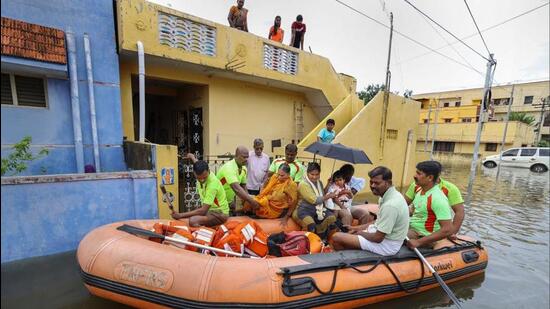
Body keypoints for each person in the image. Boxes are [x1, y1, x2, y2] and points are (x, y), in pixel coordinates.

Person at [331, 167, 409, 256]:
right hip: (380, 237)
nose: (372, 186)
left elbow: (377, 238)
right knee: (349, 233)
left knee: (336, 237)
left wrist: (359, 233)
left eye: (377, 183)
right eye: (371, 182)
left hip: (386, 245)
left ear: (388, 183)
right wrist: (355, 228)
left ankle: (350, 261)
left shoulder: (390, 205)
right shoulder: (387, 196)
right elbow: (378, 221)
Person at [404, 161, 464, 239]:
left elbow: (460, 212)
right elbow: (404, 205)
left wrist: (452, 233)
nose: (415, 176)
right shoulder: (417, 185)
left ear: (432, 176)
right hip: (416, 225)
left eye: (419, 173)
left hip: (430, 231)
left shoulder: (448, 189)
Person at [406, 161, 453, 249]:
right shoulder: (419, 191)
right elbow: (413, 211)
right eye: (416, 172)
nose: (415, 176)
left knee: (392, 236)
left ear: (430, 177)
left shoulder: (438, 198)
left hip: (424, 236)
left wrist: (418, 242)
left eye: (419, 174)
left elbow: (447, 229)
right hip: (413, 230)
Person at [171, 160, 229, 227]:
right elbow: (196, 161)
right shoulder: (202, 171)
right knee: (194, 214)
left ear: (208, 171)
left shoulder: (213, 185)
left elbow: (203, 211)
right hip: (210, 211)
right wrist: (191, 157)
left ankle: (208, 235)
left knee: (193, 220)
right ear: (194, 173)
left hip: (220, 214)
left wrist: (180, 215)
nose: (202, 180)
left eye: (204, 177)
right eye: (199, 178)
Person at [292, 162, 338, 239]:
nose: (314, 177)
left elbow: (322, 194)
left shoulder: (319, 182)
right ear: (307, 173)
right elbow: (315, 200)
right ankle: (310, 243)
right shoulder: (303, 184)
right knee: (311, 225)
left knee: (332, 218)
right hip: (302, 210)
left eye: (317, 174)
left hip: (317, 209)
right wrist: (329, 196)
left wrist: (328, 184)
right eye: (312, 174)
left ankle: (324, 240)